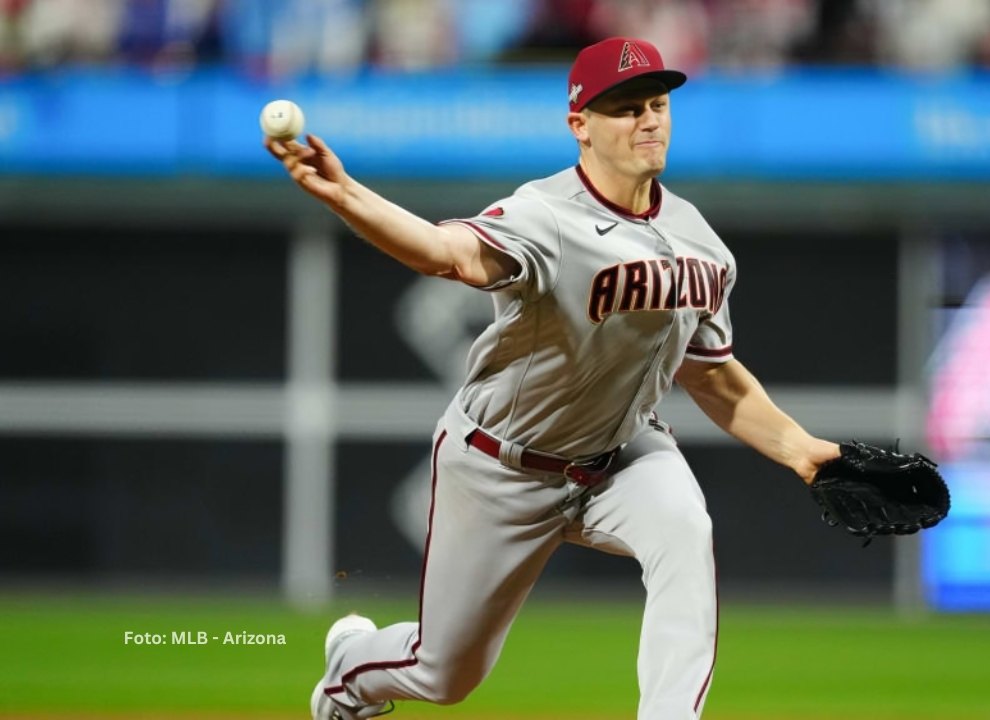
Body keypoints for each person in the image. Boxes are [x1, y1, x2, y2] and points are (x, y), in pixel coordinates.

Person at [266, 36, 840, 720]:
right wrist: (347, 194)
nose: (650, 120)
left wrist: (805, 452)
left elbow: (714, 378)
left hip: (621, 454)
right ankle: (350, 673)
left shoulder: (699, 242)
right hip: (501, 465)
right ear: (580, 125)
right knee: (442, 674)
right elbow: (446, 255)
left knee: (686, 530)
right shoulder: (546, 215)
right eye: (627, 108)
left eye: (657, 104)